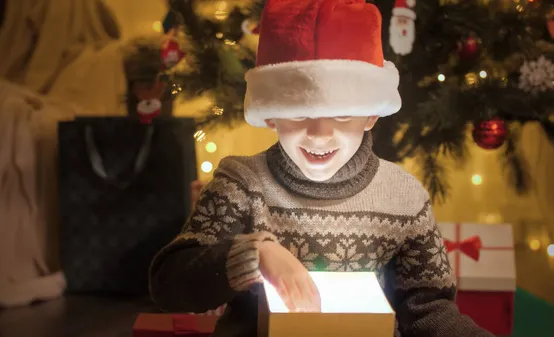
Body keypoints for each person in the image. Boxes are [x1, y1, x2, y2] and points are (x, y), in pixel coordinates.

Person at [149, 0, 494, 336]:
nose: (319, 135)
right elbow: (169, 284)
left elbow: (428, 308)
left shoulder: (404, 198)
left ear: (372, 114)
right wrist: (255, 254)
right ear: (270, 114)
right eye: (299, 114)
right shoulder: (240, 184)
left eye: (342, 115)